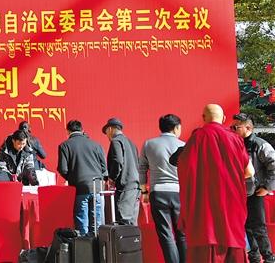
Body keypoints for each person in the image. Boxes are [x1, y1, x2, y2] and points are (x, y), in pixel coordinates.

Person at [176, 104, 253, 262]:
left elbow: (184, 170)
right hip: (231, 204)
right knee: (233, 241)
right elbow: (249, 171)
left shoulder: (196, 138)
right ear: (223, 118)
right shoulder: (235, 138)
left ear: (203, 118)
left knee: (205, 243)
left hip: (205, 207)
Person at [139, 114, 186, 263]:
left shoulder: (149, 144)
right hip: (179, 192)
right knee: (182, 234)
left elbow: (141, 169)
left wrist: (144, 191)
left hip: (158, 192)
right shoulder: (184, 145)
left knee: (166, 235)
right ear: (176, 128)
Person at [231, 113, 275, 263]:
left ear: (248, 128)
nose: (232, 130)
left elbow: (274, 165)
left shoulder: (260, 145)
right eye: (231, 127)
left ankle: (268, 259)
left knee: (258, 227)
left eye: (236, 127)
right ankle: (254, 258)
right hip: (238, 193)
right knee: (245, 227)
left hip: (256, 192)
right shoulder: (235, 144)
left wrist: (266, 187)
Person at [57, 120, 107, 235]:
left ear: (68, 131)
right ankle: (97, 244)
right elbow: (104, 167)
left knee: (81, 224)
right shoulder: (96, 145)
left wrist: (72, 178)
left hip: (79, 188)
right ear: (82, 130)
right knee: (97, 224)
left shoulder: (65, 146)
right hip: (97, 187)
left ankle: (83, 245)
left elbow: (63, 169)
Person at [102, 117, 140, 225]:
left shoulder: (116, 141)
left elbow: (118, 161)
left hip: (125, 187)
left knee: (124, 221)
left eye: (106, 132)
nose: (107, 136)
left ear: (110, 129)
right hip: (135, 187)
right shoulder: (131, 143)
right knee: (132, 223)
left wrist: (112, 178)